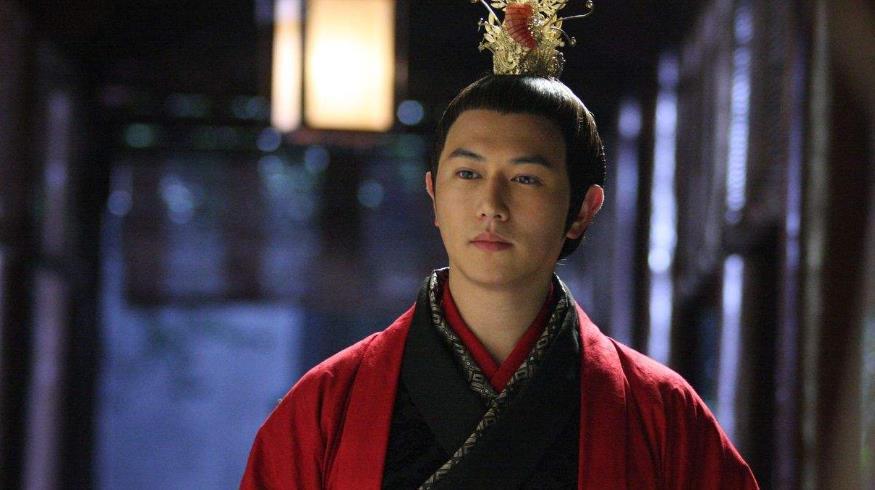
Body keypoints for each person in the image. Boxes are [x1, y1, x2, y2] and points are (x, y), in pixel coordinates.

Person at [242, 3, 758, 489]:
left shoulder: (661, 414)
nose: (491, 205)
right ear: (434, 195)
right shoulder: (326, 405)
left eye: (526, 178)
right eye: (468, 174)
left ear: (583, 209)